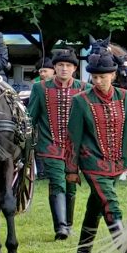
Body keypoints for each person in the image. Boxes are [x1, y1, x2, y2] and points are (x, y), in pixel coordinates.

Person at [67, 50, 127, 253]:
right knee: (110, 204)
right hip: (92, 162)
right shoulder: (80, 101)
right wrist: (71, 169)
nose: (98, 81)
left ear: (113, 75)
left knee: (96, 205)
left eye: (102, 77)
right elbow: (73, 137)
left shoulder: (126, 97)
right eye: (94, 77)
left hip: (117, 162)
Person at [27, 50, 83, 240]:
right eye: (60, 65)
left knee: (71, 184)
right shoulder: (40, 88)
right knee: (57, 181)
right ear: (55, 68)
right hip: (50, 145)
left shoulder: (85, 88)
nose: (64, 68)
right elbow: (31, 116)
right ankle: (61, 228)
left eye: (68, 65)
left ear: (74, 69)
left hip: (76, 148)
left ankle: (68, 224)